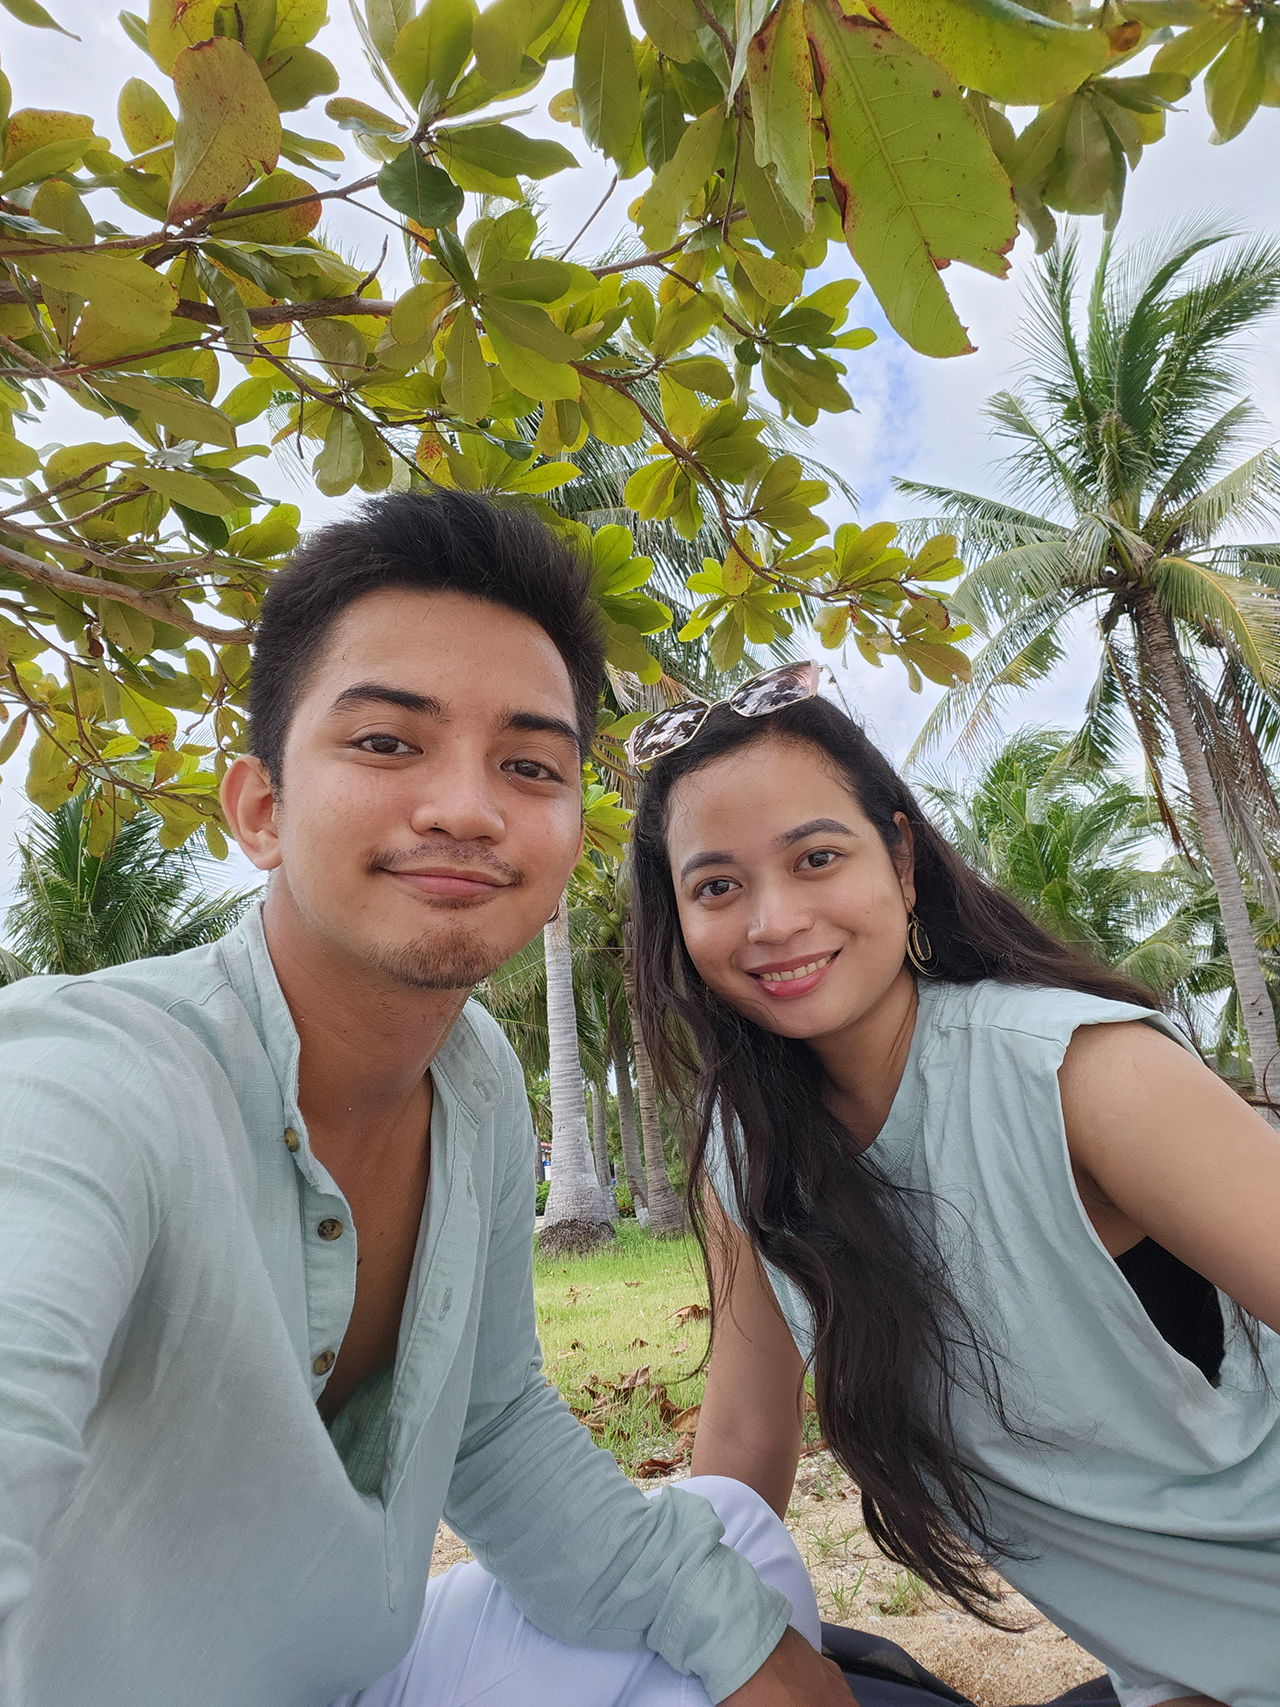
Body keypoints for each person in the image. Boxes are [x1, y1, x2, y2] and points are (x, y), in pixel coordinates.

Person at [0, 496, 852, 1707]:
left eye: (529, 765)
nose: (467, 808)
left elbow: (490, 1427)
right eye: (386, 743)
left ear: (569, 836)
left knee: (736, 1549)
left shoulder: (475, 1081)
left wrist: (762, 1662)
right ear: (259, 809)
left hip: (357, 1676)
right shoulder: (90, 1078)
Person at [627, 665, 1280, 1707]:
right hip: (1175, 1676)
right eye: (716, 886)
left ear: (899, 856)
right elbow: (742, 1453)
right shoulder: (747, 1161)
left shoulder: (1080, 1075)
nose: (772, 920)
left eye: (815, 857)